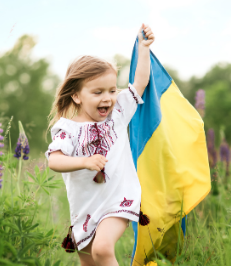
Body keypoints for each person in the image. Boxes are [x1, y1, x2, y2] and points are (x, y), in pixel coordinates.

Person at [45, 24, 154, 266]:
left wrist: (144, 48)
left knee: (103, 250)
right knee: (90, 261)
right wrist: (83, 161)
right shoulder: (68, 129)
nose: (107, 98)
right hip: (85, 208)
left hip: (118, 198)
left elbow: (140, 82)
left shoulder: (118, 112)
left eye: (112, 90)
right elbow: (54, 160)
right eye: (97, 92)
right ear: (76, 96)